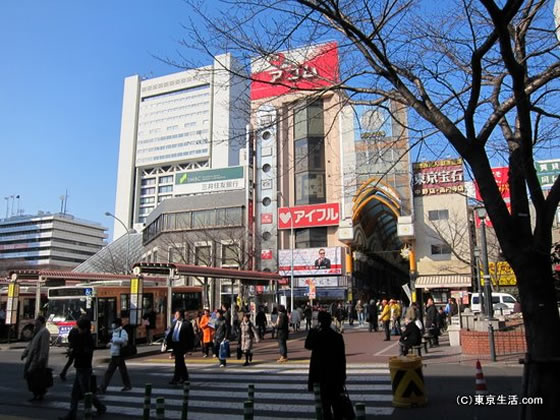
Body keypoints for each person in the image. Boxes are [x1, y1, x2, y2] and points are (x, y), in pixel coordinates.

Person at [59, 318, 106, 420]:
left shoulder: (87, 339)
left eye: (79, 328)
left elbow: (84, 353)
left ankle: (99, 407)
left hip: (84, 368)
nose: (78, 329)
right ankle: (72, 414)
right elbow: (76, 352)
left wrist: (75, 351)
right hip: (80, 367)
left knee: (86, 393)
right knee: (76, 393)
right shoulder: (81, 337)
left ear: (84, 329)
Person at [305, 311, 347, 420]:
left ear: (319, 321)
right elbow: (342, 359)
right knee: (337, 404)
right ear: (330, 321)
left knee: (325, 405)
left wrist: (313, 330)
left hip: (320, 374)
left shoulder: (316, 335)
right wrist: (343, 376)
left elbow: (307, 345)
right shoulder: (337, 337)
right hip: (335, 374)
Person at [22, 316, 51, 402]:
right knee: (32, 377)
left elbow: (44, 347)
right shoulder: (37, 331)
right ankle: (37, 394)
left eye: (37, 322)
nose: (35, 324)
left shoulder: (45, 332)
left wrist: (42, 359)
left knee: (35, 377)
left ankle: (39, 394)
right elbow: (31, 344)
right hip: (33, 358)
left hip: (38, 359)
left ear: (41, 322)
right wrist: (25, 353)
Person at [99, 318, 132, 393]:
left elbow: (124, 340)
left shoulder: (122, 331)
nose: (112, 325)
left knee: (119, 371)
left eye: (114, 323)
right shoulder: (114, 332)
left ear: (117, 324)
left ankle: (103, 387)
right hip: (114, 354)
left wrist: (113, 341)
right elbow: (114, 342)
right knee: (112, 371)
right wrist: (110, 344)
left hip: (119, 355)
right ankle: (103, 387)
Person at [166, 310, 194, 385]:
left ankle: (176, 378)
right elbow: (171, 333)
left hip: (182, 345)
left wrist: (189, 348)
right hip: (175, 345)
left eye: (177, 314)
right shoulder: (174, 323)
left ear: (181, 315)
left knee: (178, 362)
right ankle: (184, 378)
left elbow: (190, 336)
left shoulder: (187, 324)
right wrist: (167, 343)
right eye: (175, 314)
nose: (175, 315)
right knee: (180, 362)